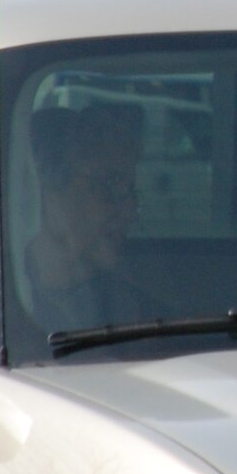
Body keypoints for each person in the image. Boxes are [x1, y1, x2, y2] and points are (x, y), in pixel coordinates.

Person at [22, 103, 152, 334]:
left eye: (130, 191)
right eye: (109, 185)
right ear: (45, 191)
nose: (131, 212)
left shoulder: (135, 310)